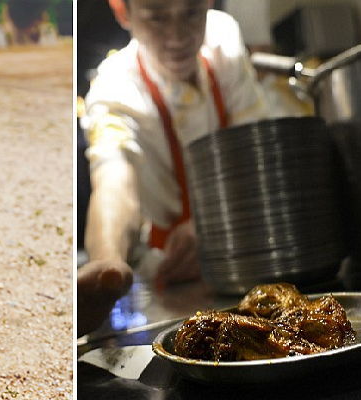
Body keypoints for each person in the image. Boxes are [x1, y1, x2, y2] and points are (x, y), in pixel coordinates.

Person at [77, 0, 269, 336]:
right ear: (125, 14)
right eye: (157, 18)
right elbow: (114, 181)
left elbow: (252, 149)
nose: (178, 37)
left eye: (192, 14)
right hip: (170, 275)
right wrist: (106, 262)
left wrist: (209, 225)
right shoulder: (114, 88)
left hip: (248, 253)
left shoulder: (223, 39)